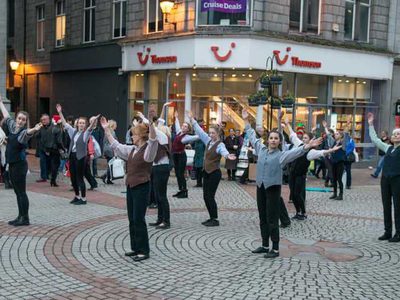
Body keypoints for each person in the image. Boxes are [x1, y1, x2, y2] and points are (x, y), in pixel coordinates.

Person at [242, 109, 322, 258]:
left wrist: (308, 146)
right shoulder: (261, 149)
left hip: (273, 188)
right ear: (268, 139)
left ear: (279, 141)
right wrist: (246, 120)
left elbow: (296, 153)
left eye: (276, 138)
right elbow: (252, 136)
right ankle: (265, 245)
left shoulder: (281, 155)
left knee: (272, 218)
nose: (273, 140)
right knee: (262, 217)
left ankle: (276, 248)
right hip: (260, 187)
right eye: (271, 138)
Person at [101, 115, 158, 261]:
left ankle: (144, 251)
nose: (132, 136)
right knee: (132, 219)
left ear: (140, 136)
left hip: (142, 187)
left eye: (134, 134)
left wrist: (151, 125)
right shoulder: (132, 149)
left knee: (139, 219)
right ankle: (135, 248)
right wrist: (106, 129)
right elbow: (116, 145)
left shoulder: (148, 151)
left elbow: (153, 141)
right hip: (131, 187)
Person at [186, 111, 236, 227]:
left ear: (218, 134)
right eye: (210, 133)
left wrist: (228, 155)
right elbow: (199, 131)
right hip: (206, 172)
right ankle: (211, 217)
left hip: (214, 173)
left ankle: (215, 219)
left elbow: (224, 151)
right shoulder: (208, 141)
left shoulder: (220, 144)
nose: (211, 135)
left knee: (210, 196)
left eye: (213, 133)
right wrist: (192, 120)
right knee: (205, 196)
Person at [285, 118, 341, 220]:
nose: (303, 139)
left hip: (300, 175)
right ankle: (297, 212)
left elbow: (322, 152)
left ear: (310, 140)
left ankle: (303, 212)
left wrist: (332, 150)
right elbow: (293, 135)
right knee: (293, 195)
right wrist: (287, 124)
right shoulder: (300, 145)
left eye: (306, 138)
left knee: (298, 195)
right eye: (304, 138)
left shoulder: (311, 152)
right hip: (292, 174)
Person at [0, 96, 42, 226]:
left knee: (21, 192)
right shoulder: (12, 127)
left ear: (25, 122)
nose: (20, 121)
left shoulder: (23, 133)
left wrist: (35, 128)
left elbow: (29, 133)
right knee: (17, 192)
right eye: (19, 118)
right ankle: (20, 216)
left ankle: (25, 218)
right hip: (12, 164)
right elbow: (6, 116)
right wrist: (0, 103)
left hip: (19, 166)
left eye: (23, 120)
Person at [56, 104, 99, 205]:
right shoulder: (73, 132)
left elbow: (90, 128)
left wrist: (94, 121)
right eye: (80, 123)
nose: (81, 124)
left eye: (83, 123)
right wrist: (60, 112)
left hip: (81, 157)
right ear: (77, 124)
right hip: (72, 156)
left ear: (85, 125)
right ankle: (77, 196)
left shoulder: (85, 134)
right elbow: (65, 124)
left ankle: (83, 199)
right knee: (73, 178)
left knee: (80, 178)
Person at [368, 113, 400, 242]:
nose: (395, 135)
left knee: (398, 206)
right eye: (394, 134)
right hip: (385, 180)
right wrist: (370, 125)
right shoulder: (388, 148)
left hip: (398, 180)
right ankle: (387, 232)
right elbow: (375, 140)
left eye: (398, 134)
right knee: (386, 205)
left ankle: (398, 233)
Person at [138, 112, 172, 230]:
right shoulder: (157, 135)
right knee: (157, 195)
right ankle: (160, 219)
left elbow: (152, 128)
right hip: (156, 167)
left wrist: (145, 118)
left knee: (162, 195)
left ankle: (166, 221)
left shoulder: (162, 136)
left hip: (162, 168)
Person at [322, 120, 347, 201]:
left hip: (340, 163)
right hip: (334, 163)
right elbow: (329, 135)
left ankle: (341, 194)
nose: (335, 135)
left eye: (337, 134)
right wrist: (325, 127)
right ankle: (335, 193)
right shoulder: (334, 142)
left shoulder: (343, 143)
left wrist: (347, 125)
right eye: (335, 134)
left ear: (341, 136)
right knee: (334, 179)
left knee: (339, 179)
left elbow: (345, 136)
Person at [172, 111, 191, 199]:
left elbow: (196, 137)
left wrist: (202, 136)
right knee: (177, 173)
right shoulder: (179, 132)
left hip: (181, 156)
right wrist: (176, 117)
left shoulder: (186, 136)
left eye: (186, 126)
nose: (183, 127)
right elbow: (177, 125)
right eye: (183, 125)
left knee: (181, 174)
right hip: (175, 155)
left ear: (188, 129)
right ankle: (180, 190)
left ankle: (184, 191)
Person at [36, 114, 53, 183]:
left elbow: (51, 138)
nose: (43, 121)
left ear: (49, 119)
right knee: (42, 162)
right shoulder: (41, 127)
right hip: (42, 148)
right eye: (42, 120)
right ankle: (43, 177)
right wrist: (38, 128)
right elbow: (36, 136)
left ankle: (48, 175)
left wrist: (49, 149)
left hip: (50, 148)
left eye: (45, 119)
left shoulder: (52, 127)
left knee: (49, 163)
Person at [101, 119, 117, 185]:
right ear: (113, 125)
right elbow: (113, 143)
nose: (116, 126)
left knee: (109, 164)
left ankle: (108, 179)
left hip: (106, 150)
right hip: (110, 150)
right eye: (116, 125)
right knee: (111, 165)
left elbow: (104, 142)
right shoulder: (112, 132)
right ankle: (105, 176)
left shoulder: (106, 132)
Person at [193, 120, 206, 188]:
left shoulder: (203, 140)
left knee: (201, 171)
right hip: (197, 157)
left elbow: (206, 149)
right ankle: (198, 183)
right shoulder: (196, 140)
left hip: (202, 157)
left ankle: (201, 183)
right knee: (197, 170)